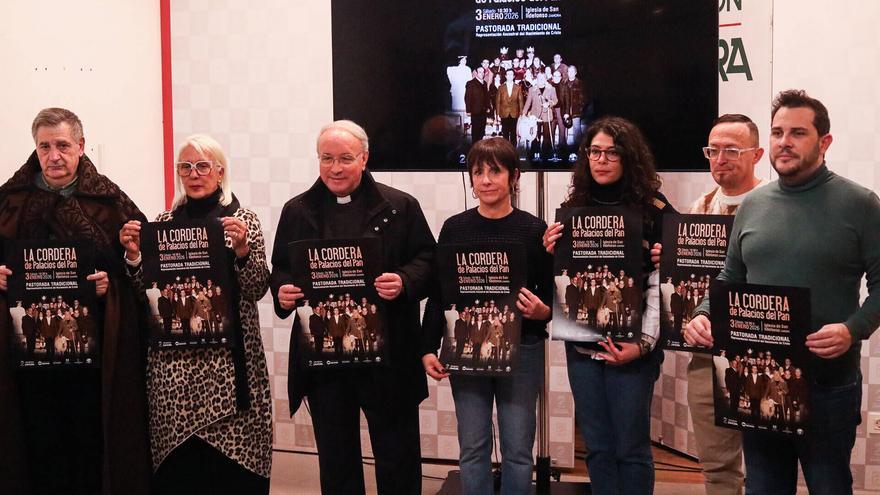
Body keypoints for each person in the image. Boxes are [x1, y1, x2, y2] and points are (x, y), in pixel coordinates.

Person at [684, 90, 880, 494]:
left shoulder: (860, 204)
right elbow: (730, 277)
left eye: (797, 133)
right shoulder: (754, 205)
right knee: (765, 487)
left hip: (829, 384)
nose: (784, 142)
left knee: (829, 485)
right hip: (759, 381)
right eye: (776, 132)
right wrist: (704, 312)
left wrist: (852, 329)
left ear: (824, 142)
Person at [270, 120, 435, 494]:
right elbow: (280, 268)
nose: (336, 168)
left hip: (388, 357)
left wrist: (405, 281)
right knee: (336, 460)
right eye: (327, 158)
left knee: (397, 457)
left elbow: (428, 258)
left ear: (364, 158)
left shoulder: (400, 206)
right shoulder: (296, 210)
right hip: (326, 360)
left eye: (345, 158)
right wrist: (282, 291)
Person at [0, 107, 150, 495]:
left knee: (88, 443)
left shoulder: (110, 201)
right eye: (44, 146)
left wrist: (110, 285)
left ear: (81, 147)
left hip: (92, 357)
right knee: (37, 443)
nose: (54, 156)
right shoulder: (10, 201)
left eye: (63, 145)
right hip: (26, 359)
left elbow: (143, 269)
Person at [118, 134, 273, 494]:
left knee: (230, 474)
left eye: (203, 166)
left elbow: (256, 289)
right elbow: (149, 295)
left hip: (230, 368)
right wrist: (134, 257)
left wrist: (243, 251)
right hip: (174, 370)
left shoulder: (241, 219)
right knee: (181, 473)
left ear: (220, 172)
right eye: (185, 166)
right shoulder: (163, 221)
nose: (194, 173)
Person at [543, 116, 674, 494]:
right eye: (594, 152)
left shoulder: (655, 209)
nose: (600, 160)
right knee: (597, 448)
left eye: (611, 153)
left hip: (634, 348)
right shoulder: (573, 207)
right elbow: (564, 282)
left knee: (631, 448)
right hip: (582, 346)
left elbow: (669, 287)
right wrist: (551, 252)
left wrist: (644, 345)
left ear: (628, 157)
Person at [421, 137, 553, 494]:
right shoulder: (454, 229)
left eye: (495, 171)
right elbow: (439, 293)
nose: (485, 180)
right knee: (473, 446)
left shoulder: (534, 230)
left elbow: (552, 296)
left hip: (522, 349)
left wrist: (543, 312)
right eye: (477, 172)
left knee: (518, 450)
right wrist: (428, 347)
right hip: (466, 351)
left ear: (514, 177)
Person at [651, 113, 765, 495]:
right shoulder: (698, 209)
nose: (720, 158)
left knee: (770, 468)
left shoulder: (775, 206)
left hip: (762, 350)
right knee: (717, 469)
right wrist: (667, 258)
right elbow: (686, 278)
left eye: (732, 150)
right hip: (706, 353)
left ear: (757, 154)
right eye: (713, 150)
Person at [522, 73, 558, 158]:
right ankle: (535, 153)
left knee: (547, 136)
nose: (541, 80)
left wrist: (549, 103)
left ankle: (545, 154)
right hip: (535, 117)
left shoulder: (551, 89)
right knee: (535, 135)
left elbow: (555, 100)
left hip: (547, 115)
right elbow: (528, 102)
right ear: (536, 79)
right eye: (539, 78)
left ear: (546, 79)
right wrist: (524, 113)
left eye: (542, 78)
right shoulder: (532, 89)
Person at [496, 68, 524, 145]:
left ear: (514, 76)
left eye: (511, 74)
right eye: (508, 74)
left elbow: (521, 101)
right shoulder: (501, 87)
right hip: (504, 113)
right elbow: (498, 101)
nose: (510, 76)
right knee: (505, 132)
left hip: (514, 113)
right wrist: (498, 114)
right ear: (505, 76)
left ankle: (513, 150)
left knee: (513, 133)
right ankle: (506, 150)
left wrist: (521, 113)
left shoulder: (518, 87)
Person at [466, 67, 492, 143]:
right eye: (480, 72)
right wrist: (468, 110)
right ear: (476, 73)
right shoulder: (470, 83)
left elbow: (487, 97)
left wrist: (488, 107)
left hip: (483, 112)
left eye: (483, 72)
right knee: (475, 131)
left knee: (481, 130)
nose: (482, 73)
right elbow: (467, 97)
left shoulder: (484, 83)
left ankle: (480, 146)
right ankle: (474, 147)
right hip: (475, 111)